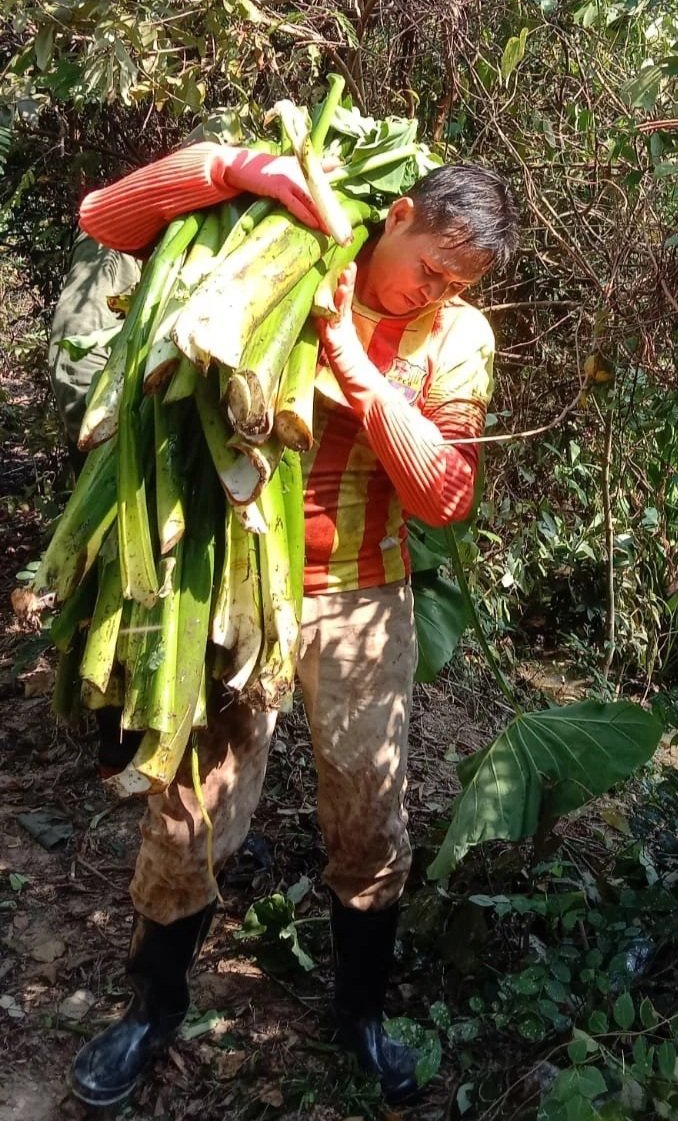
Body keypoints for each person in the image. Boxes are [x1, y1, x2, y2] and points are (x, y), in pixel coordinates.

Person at [56, 134, 518, 1109]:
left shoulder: (456, 338)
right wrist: (232, 170)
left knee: (368, 808)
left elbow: (444, 493)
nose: (430, 294)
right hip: (228, 584)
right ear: (397, 217)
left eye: (452, 285)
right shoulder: (289, 246)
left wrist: (352, 356)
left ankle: (359, 1013)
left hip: (358, 596)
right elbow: (105, 217)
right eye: (428, 269)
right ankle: (154, 1006)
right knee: (191, 803)